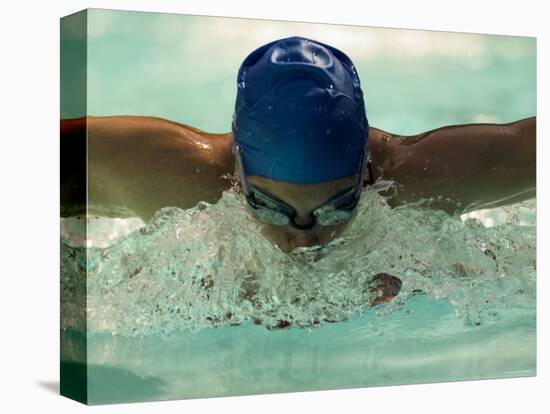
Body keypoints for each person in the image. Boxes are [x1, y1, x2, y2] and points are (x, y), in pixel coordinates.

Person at [61, 36, 536, 255]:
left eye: (337, 209)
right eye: (269, 207)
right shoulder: (170, 175)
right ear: (237, 171)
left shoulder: (422, 180)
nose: (305, 240)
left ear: (366, 172)